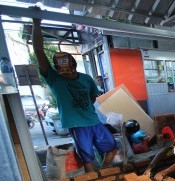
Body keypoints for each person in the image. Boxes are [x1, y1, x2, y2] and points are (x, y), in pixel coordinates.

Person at [33, 16, 116, 172]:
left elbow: (93, 96)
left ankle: (103, 173)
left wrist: (85, 108)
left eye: (68, 68)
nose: (65, 73)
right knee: (87, 158)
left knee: (112, 147)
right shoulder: (55, 79)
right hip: (77, 126)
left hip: (93, 121)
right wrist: (36, 23)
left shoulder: (85, 79)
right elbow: (38, 51)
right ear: (57, 69)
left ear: (73, 65)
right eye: (61, 69)